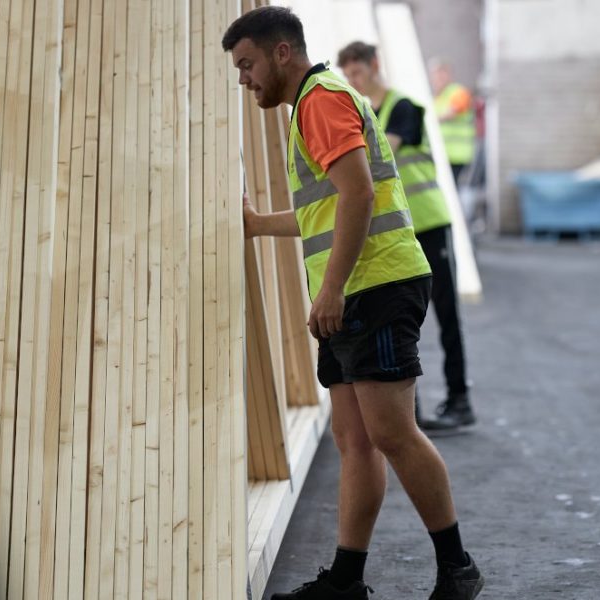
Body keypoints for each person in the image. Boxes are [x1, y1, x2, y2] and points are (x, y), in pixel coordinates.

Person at [222, 7, 484, 600]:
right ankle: (346, 580)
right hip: (356, 290)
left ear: (281, 52)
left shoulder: (321, 100)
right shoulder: (311, 105)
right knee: (355, 440)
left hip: (377, 286)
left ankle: (457, 567)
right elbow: (329, 209)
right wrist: (260, 224)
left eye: (247, 65)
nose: (244, 79)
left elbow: (359, 193)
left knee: (393, 433)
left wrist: (332, 288)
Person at [337, 41, 476, 433]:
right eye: (347, 73)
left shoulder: (403, 108)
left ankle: (460, 400)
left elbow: (380, 157)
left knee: (446, 314)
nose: (353, 78)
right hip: (396, 231)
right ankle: (409, 410)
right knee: (400, 319)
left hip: (429, 222)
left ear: (374, 65)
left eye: (358, 71)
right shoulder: (361, 113)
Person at [428, 58, 476, 183]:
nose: (437, 79)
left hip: (456, 155)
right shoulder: (438, 97)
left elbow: (453, 112)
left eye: (441, 74)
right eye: (435, 75)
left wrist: (429, 120)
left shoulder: (459, 92)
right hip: (443, 154)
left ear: (448, 74)